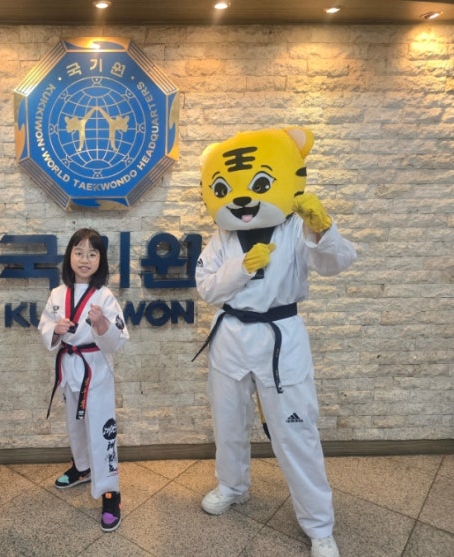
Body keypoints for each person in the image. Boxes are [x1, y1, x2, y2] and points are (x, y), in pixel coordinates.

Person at [193, 127, 356, 557]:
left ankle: (319, 524)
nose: (243, 201)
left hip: (281, 336)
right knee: (228, 422)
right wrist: (242, 268)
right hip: (231, 336)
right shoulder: (222, 237)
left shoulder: (294, 227)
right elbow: (206, 288)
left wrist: (323, 230)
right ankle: (232, 486)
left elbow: (336, 264)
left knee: (296, 431)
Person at [38, 228, 129, 532]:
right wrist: (56, 330)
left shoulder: (105, 296)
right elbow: (45, 327)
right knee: (75, 424)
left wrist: (102, 324)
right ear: (69, 256)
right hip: (70, 367)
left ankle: (110, 491)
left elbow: (117, 341)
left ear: (101, 260)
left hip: (96, 369)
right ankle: (82, 467)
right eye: (79, 252)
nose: (84, 259)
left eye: (92, 253)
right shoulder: (57, 293)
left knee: (101, 429)